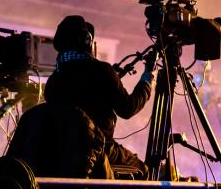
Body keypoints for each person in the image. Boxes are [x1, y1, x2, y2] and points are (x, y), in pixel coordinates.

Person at [44, 15, 156, 178]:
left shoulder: (54, 80)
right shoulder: (102, 71)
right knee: (144, 171)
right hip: (98, 147)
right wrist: (147, 79)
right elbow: (128, 109)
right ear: (87, 41)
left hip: (62, 152)